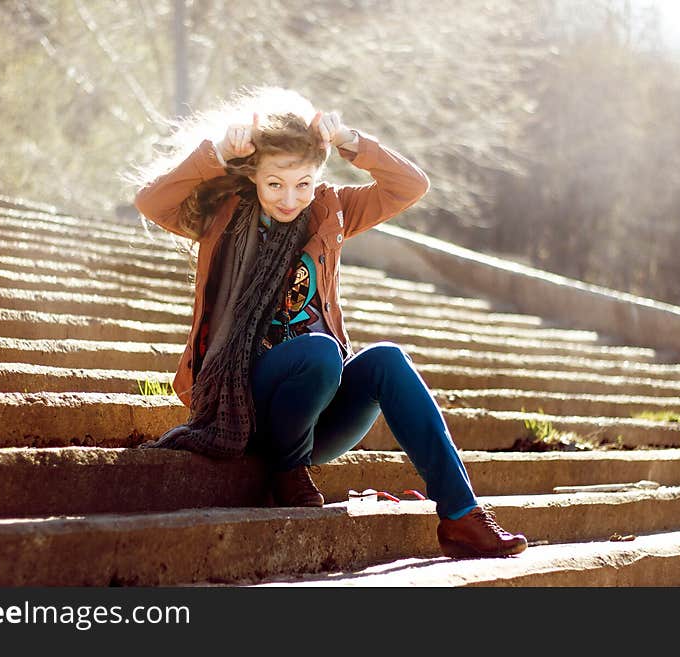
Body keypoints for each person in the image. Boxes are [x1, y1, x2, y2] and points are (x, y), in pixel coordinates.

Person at [131, 87, 526, 559]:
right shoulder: (222, 216)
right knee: (317, 352)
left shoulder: (331, 209)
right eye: (275, 183)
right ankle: (287, 469)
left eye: (303, 182)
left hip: (317, 410)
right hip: (241, 404)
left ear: (318, 176)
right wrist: (216, 154)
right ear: (254, 174)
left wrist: (349, 140)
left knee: (388, 361)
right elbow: (152, 201)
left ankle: (462, 516)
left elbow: (410, 187)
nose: (290, 197)